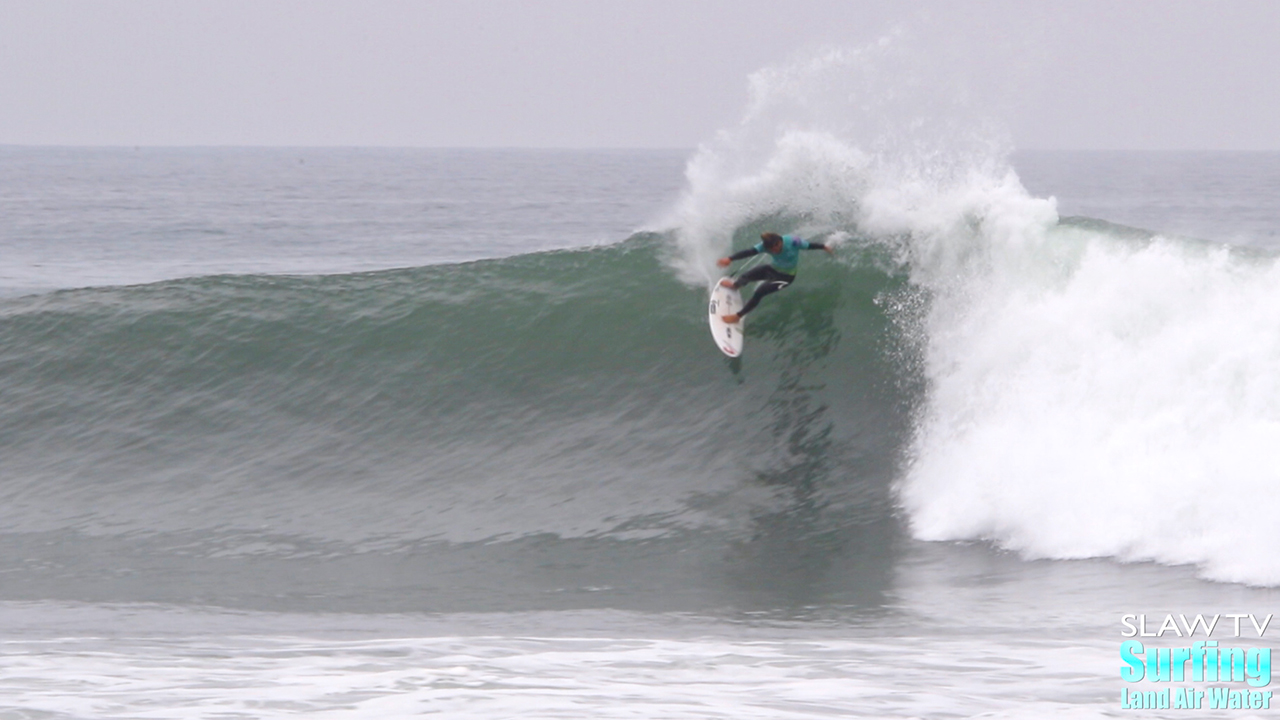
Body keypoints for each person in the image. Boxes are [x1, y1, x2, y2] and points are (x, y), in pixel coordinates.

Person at [715, 232, 834, 323]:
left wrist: (824, 246)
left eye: (774, 248)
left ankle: (738, 316)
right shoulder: (765, 246)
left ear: (779, 242)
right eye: (770, 250)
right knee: (747, 275)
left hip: (786, 277)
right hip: (772, 269)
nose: (773, 251)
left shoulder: (793, 242)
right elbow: (749, 252)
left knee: (760, 291)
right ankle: (735, 286)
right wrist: (730, 259)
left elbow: (809, 246)